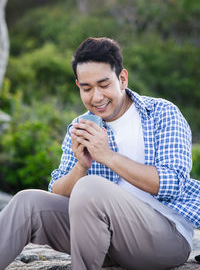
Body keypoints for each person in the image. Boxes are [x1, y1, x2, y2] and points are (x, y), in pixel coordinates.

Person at [0, 37, 200, 270]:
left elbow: (173, 183)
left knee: (90, 187)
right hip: (105, 239)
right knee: (27, 201)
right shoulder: (80, 125)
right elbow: (57, 191)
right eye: (87, 88)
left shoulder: (162, 113)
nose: (96, 97)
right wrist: (81, 166)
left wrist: (109, 157)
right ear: (78, 86)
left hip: (165, 238)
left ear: (122, 79)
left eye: (104, 85)